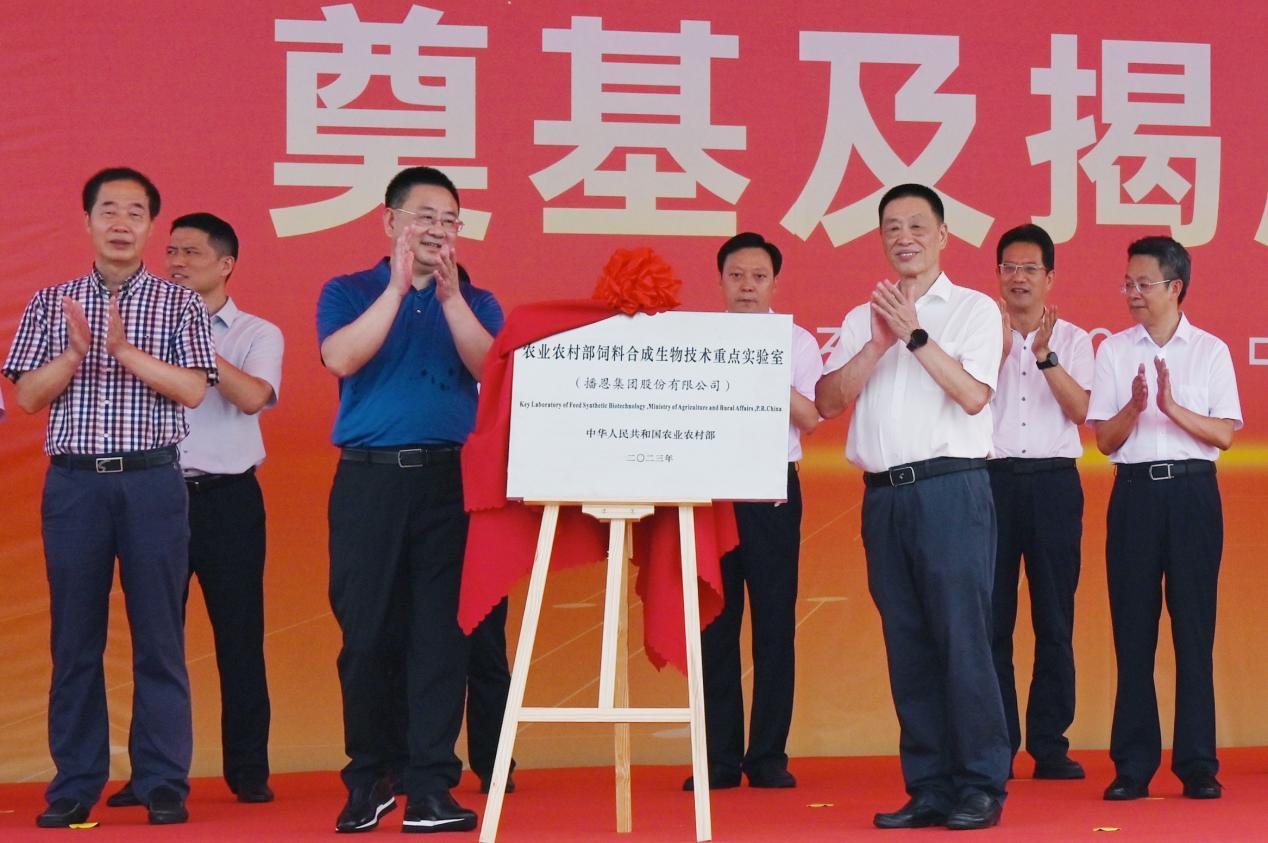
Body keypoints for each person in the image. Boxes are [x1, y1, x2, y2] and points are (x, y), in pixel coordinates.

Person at [4, 167, 217, 828]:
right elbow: (27, 396)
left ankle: (162, 781)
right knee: (75, 640)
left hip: (153, 482)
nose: (121, 223)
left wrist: (122, 350)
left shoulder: (179, 303)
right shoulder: (51, 301)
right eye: (108, 210)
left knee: (160, 635)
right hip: (74, 485)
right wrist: (73, 356)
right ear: (87, 221)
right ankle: (75, 783)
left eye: (134, 212)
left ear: (151, 226)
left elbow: (192, 389)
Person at [816, 184, 1008, 830]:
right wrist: (877, 342)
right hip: (884, 500)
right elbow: (827, 400)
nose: (905, 238)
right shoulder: (861, 317)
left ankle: (980, 782)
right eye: (892, 227)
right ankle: (929, 784)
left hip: (951, 492)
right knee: (909, 644)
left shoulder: (974, 310)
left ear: (944, 235)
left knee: (962, 639)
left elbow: (974, 396)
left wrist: (915, 335)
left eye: (917, 226)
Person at [317, 166, 503, 833]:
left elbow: (492, 372)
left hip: (449, 483)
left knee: (442, 639)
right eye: (425, 216)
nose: (438, 229)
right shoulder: (348, 290)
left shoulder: (477, 301)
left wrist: (450, 299)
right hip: (369, 481)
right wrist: (398, 289)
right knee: (366, 635)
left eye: (450, 220)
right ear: (390, 220)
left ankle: (430, 786)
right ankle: (371, 775)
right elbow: (341, 358)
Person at [105, 213, 284, 809]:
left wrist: (195, 344)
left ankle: (248, 770)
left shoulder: (257, 332)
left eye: (191, 253)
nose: (176, 263)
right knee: (156, 640)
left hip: (230, 501)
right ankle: (149, 774)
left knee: (240, 637)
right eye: (172, 252)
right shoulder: (141, 328)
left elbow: (253, 397)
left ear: (226, 264)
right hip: (155, 497)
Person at [1087, 236, 1241, 802]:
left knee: (1194, 631)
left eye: (1143, 283)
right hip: (1134, 496)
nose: (1132, 293)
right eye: (1127, 283)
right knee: (1133, 631)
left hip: (1194, 494)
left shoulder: (1211, 351)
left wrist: (1172, 408)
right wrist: (1134, 407)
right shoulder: (1113, 351)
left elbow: (1224, 434)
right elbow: (1104, 441)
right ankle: (1133, 765)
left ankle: (1197, 764)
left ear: (1175, 287)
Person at [684, 232, 820, 792]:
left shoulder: (797, 341)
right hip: (712, 493)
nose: (747, 286)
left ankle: (767, 755)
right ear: (720, 281)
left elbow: (811, 417)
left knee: (774, 626)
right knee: (714, 626)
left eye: (758, 277)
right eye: (736, 276)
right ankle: (717, 759)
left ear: (774, 284)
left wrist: (762, 364)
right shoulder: (697, 339)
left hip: (772, 493)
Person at [988, 224, 1093, 780]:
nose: (1019, 278)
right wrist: (1001, 352)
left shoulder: (1074, 339)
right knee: (992, 619)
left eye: (1030, 268)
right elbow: (964, 401)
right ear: (998, 275)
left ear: (1049, 277)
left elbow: (1081, 411)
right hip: (991, 482)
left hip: (1054, 483)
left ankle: (1050, 744)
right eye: (1009, 267)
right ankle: (997, 744)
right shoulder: (981, 335)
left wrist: (1045, 357)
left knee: (1054, 616)